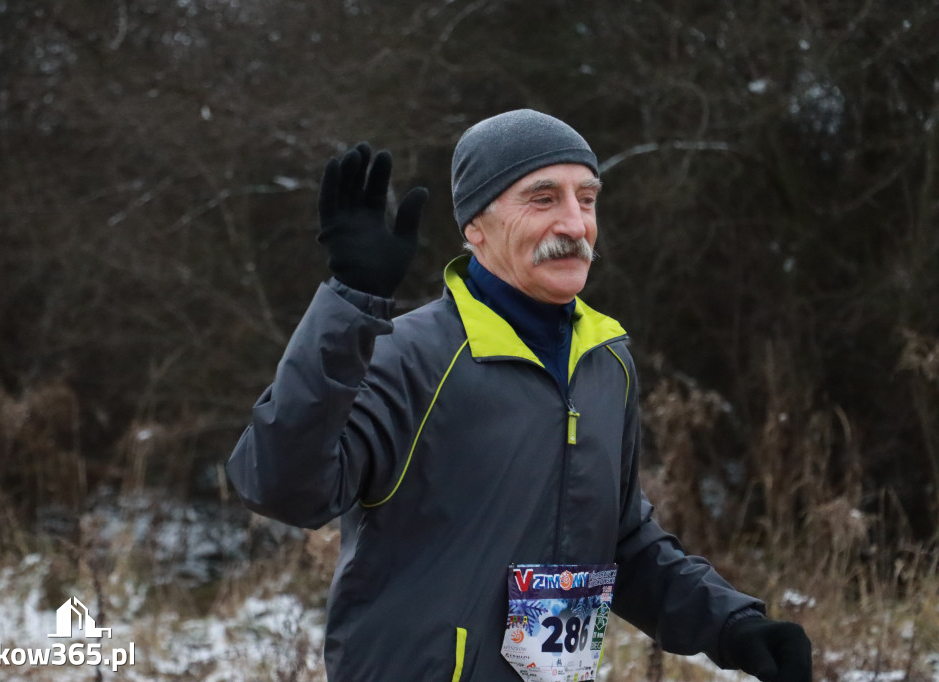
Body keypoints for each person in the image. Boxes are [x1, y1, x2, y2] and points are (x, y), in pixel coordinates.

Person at [226, 110, 813, 681]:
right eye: (543, 198)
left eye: (586, 199)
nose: (575, 225)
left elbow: (621, 541)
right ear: (475, 227)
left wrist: (736, 628)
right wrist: (349, 303)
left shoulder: (607, 361)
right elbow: (280, 487)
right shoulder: (406, 356)